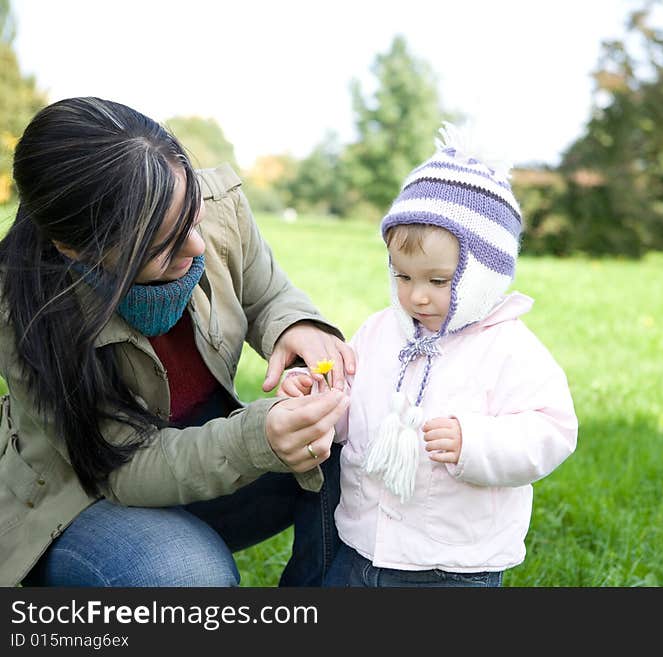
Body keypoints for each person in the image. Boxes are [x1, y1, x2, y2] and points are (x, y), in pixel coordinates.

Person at [0, 97, 355, 587]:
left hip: (207, 459)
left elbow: (267, 291)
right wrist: (260, 438)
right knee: (185, 576)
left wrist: (297, 324)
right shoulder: (24, 311)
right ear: (76, 249)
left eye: (191, 217)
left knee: (352, 431)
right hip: (86, 500)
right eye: (162, 244)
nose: (198, 245)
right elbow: (122, 468)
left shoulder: (210, 204)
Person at [280, 123, 578, 587]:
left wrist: (475, 443)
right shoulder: (381, 331)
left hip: (453, 563)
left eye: (438, 281)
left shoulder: (508, 347)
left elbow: (552, 430)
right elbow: (351, 413)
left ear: (483, 274)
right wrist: (322, 397)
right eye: (402, 277)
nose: (416, 297)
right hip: (365, 544)